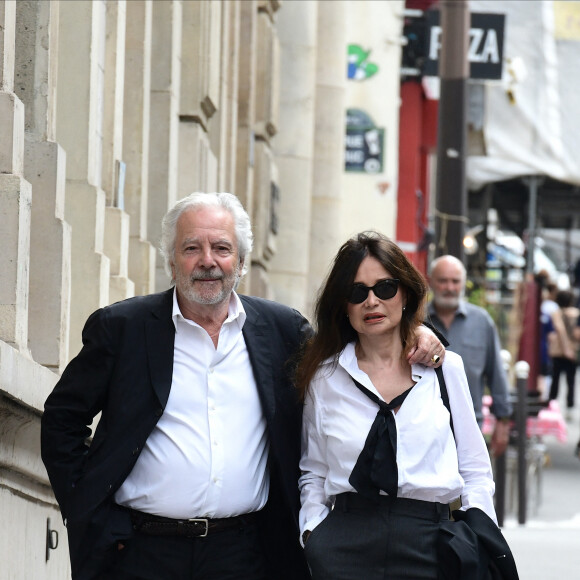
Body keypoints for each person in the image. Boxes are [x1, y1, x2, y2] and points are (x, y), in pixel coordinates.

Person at [41, 193, 445, 580]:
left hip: (245, 555)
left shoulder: (282, 331)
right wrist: (89, 511)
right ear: (171, 259)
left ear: (242, 261)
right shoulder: (123, 328)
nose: (207, 262)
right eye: (191, 248)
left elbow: (356, 349)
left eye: (221, 247)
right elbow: (62, 420)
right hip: (138, 553)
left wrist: (418, 334)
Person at [296, 232, 496, 580]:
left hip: (432, 545)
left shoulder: (446, 369)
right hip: (345, 547)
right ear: (343, 305)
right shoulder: (324, 378)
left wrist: (479, 532)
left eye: (384, 288)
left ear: (404, 293)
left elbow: (475, 469)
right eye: (357, 292)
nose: (371, 301)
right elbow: (314, 471)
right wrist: (313, 531)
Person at [427, 255, 513, 458]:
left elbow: (496, 375)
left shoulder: (481, 321)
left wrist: (502, 422)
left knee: (472, 487)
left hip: (470, 429)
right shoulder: (416, 321)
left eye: (455, 281)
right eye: (443, 280)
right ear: (430, 281)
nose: (449, 287)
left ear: (463, 284)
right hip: (423, 429)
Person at [548, 289, 579, 417]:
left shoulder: (556, 314)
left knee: (555, 379)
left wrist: (565, 349)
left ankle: (552, 405)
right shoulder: (577, 313)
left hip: (559, 351)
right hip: (573, 351)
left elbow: (559, 331)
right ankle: (569, 407)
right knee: (571, 381)